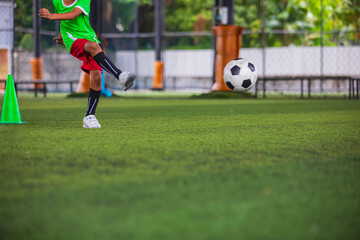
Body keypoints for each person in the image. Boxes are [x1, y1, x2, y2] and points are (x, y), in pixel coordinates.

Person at [39, 0, 136, 128]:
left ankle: (89, 116)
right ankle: (120, 75)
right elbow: (64, 19)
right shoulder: (57, 1)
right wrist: (62, 35)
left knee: (96, 76)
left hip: (89, 38)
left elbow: (74, 14)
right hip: (72, 39)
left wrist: (51, 16)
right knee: (94, 47)